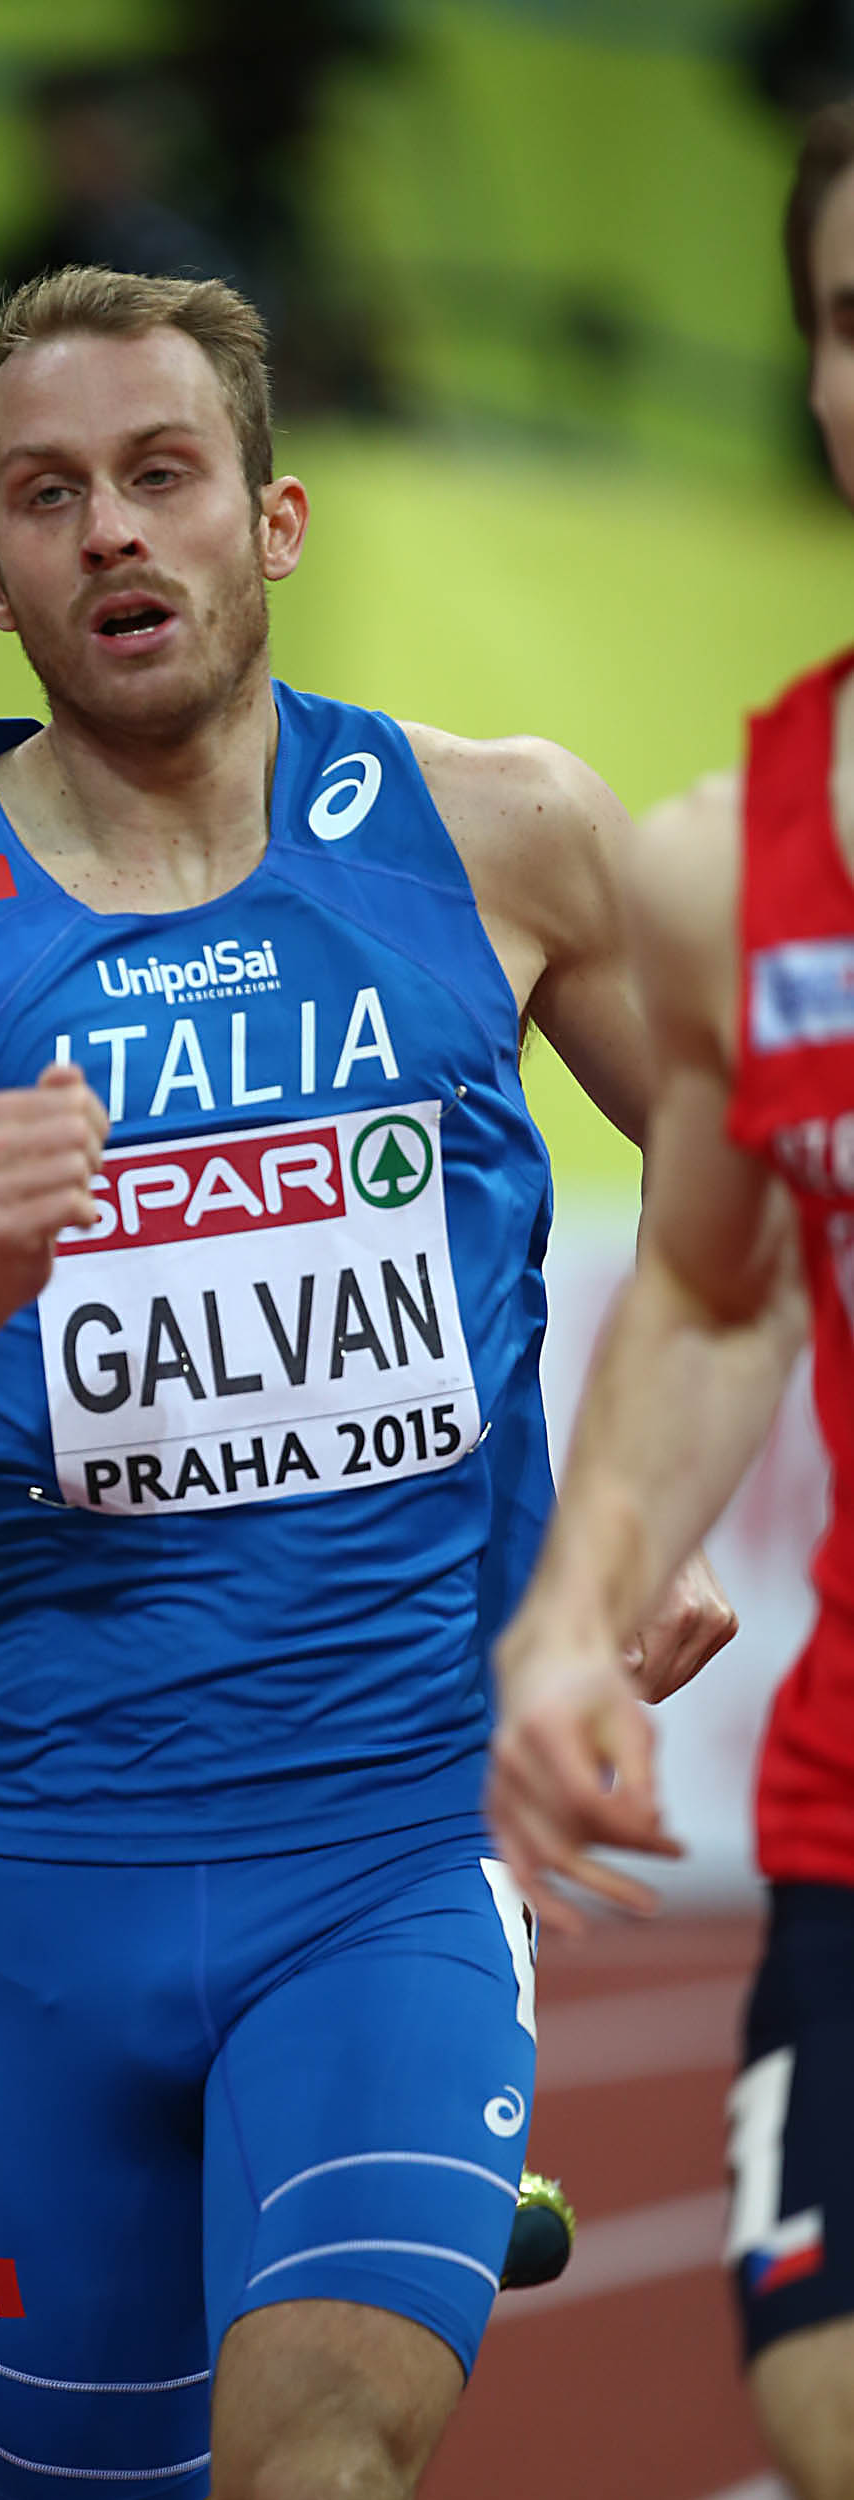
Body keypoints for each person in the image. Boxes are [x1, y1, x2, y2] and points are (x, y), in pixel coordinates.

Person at [0, 267, 730, 2500]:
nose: (110, 532)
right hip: (44, 1861)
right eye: (47, 495)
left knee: (320, 2453)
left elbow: (761, 1179)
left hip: (393, 1838)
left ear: (274, 519)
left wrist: (632, 1518)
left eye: (161, 474)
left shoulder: (500, 835)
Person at [489, 101, 854, 2500]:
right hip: (853, 1801)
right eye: (845, 319)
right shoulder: (737, 862)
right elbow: (720, 1293)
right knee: (818, 2399)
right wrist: (569, 1613)